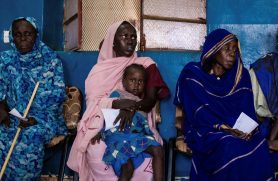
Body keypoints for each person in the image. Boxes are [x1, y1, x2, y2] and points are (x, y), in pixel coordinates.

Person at [67, 21, 169, 181]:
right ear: (113, 42)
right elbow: (95, 103)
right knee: (96, 147)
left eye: (133, 36)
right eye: (124, 36)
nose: (130, 40)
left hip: (137, 124)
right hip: (106, 124)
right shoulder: (99, 71)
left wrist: (131, 108)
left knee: (155, 149)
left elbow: (149, 101)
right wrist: (115, 105)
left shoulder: (145, 65)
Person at [174, 28, 274, 181]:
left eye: (235, 49)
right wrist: (225, 129)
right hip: (205, 129)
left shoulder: (241, 76)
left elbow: (247, 112)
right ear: (213, 50)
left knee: (260, 145)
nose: (232, 53)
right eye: (227, 48)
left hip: (237, 129)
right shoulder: (192, 74)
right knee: (228, 145)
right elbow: (197, 114)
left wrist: (246, 131)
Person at [0, 17, 66, 180]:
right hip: (11, 114)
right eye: (17, 34)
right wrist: (1, 108)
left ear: (36, 35)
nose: (22, 38)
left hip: (43, 117)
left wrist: (35, 118)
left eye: (28, 33)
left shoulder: (50, 60)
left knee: (29, 136)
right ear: (13, 37)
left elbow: (57, 94)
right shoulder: (5, 59)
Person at [102, 64, 164, 181]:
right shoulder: (117, 94)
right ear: (124, 81)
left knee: (158, 150)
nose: (136, 85)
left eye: (140, 81)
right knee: (127, 167)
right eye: (132, 80)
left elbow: (145, 125)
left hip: (136, 137)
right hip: (118, 137)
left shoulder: (143, 103)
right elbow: (106, 114)